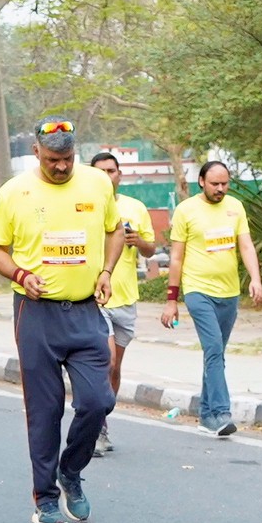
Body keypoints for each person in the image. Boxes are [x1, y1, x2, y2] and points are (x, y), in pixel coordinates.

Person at [0, 119, 124, 523]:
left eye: (67, 159)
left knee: (98, 401)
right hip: (36, 315)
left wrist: (107, 271)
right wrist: (20, 274)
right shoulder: (15, 192)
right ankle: (45, 498)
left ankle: (70, 471)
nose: (61, 167)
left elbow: (115, 231)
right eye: (51, 160)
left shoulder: (97, 183)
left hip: (85, 311)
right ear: (36, 152)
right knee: (44, 412)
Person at [161, 160, 262, 437]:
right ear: (202, 182)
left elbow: (246, 246)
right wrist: (172, 300)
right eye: (214, 184)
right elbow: (176, 257)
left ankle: (206, 416)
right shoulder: (186, 210)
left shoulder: (235, 207)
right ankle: (221, 412)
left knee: (215, 354)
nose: (220, 189)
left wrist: (255, 279)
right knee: (214, 348)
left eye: (224, 184)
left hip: (229, 293)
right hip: (198, 290)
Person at [92, 151, 156, 455]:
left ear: (120, 174)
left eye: (111, 171)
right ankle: (93, 426)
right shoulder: (83, 206)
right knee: (106, 362)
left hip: (126, 297)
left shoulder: (135, 207)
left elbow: (151, 249)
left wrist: (138, 241)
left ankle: (101, 421)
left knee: (116, 369)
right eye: (100, 171)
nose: (107, 176)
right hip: (95, 298)